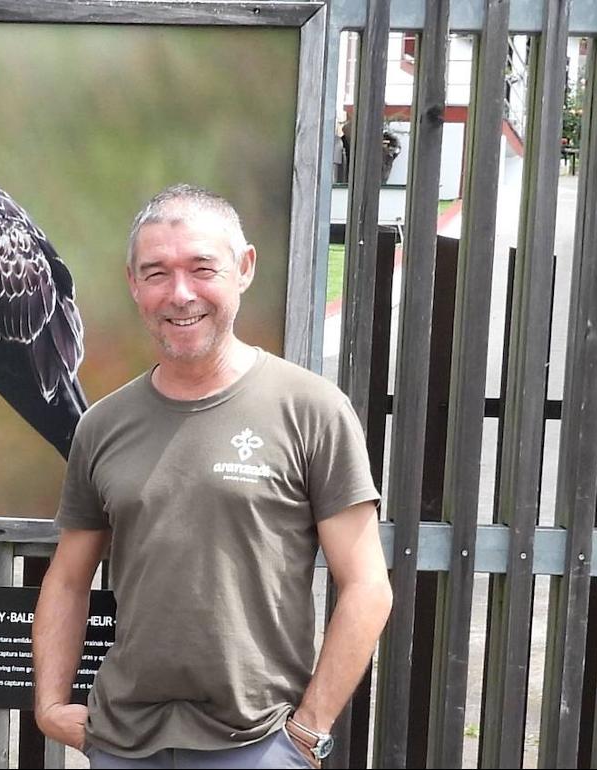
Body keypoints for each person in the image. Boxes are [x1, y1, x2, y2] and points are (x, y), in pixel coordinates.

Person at [32, 185, 392, 769]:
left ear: (243, 268)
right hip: (125, 746)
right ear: (133, 283)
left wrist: (307, 733)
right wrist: (49, 704)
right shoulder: (102, 425)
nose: (180, 294)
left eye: (202, 268)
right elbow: (69, 579)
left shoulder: (311, 410)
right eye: (157, 273)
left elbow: (367, 586)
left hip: (257, 746)